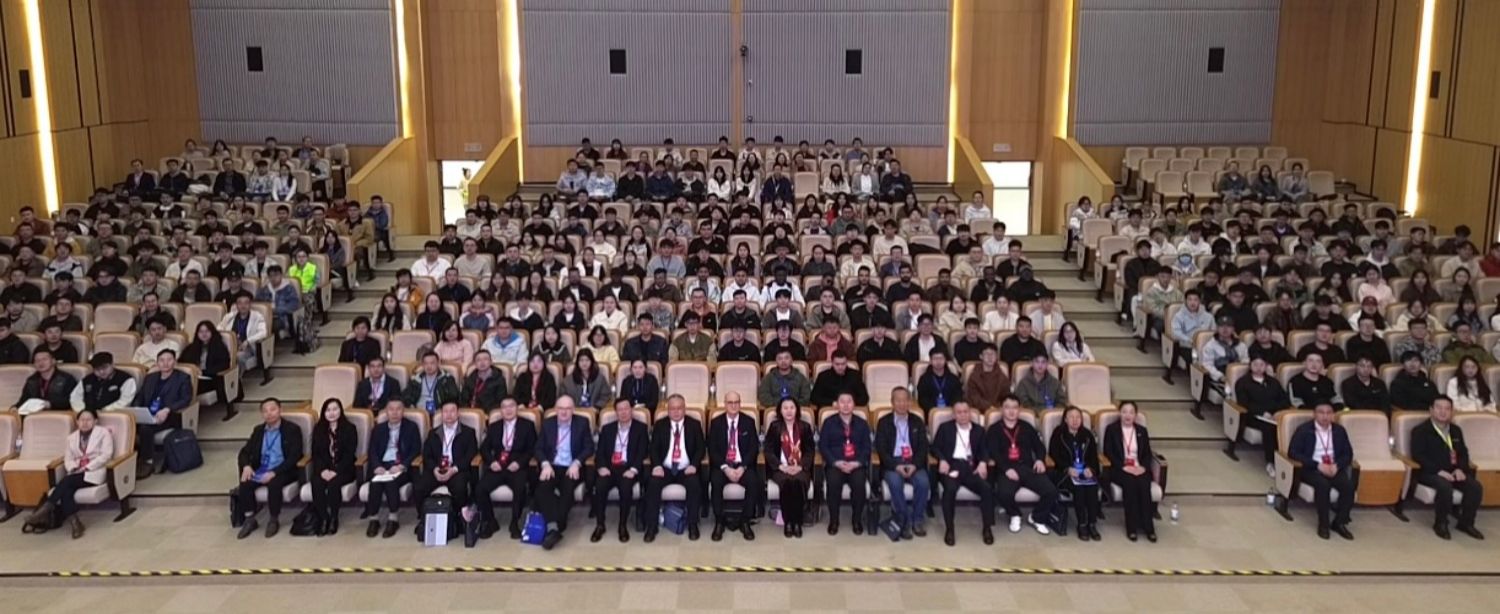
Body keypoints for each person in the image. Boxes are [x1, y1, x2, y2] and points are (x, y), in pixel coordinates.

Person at [24, 408, 113, 538]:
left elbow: (106, 455)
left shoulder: (103, 433)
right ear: (77, 422)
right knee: (67, 491)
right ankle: (75, 523)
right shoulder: (71, 438)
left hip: (94, 471)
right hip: (76, 472)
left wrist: (87, 467)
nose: (85, 423)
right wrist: (72, 468)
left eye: (88, 420)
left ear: (95, 421)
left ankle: (46, 508)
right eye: (82, 420)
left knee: (66, 482)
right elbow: (68, 458)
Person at [1408, 396, 1485, 540]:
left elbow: (1463, 453)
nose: (1443, 412)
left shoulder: (1456, 430)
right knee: (1444, 487)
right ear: (1431, 410)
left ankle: (1466, 523)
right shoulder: (1420, 430)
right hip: (1429, 472)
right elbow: (1418, 456)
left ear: (1452, 412)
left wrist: (1460, 469)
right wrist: (1439, 471)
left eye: (1447, 409)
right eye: (1439, 408)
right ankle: (1441, 523)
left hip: (1453, 471)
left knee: (1475, 487)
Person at [234, 399, 304, 539]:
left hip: (284, 469)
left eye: (272, 409)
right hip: (262, 468)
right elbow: (244, 452)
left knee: (274, 483)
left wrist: (274, 472)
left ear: (280, 410)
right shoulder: (258, 431)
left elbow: (294, 456)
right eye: (265, 411)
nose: (269, 413)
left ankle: (273, 519)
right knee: (245, 482)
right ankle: (250, 519)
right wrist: (246, 466)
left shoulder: (292, 429)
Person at [1288, 402, 1357, 540]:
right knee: (1323, 485)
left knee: (1349, 486)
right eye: (1321, 412)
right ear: (1314, 414)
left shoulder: (1339, 431)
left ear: (1333, 415)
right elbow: (1293, 453)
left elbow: (1348, 454)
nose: (1325, 416)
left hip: (1333, 467)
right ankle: (1323, 524)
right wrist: (1317, 465)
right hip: (1311, 468)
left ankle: (1339, 522)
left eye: (1328, 413)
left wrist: (1337, 466)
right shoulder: (1304, 430)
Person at [988, 396, 1056, 535]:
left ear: (1019, 409)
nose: (1011, 411)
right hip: (1007, 469)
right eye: (1007, 407)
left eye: (1015, 407)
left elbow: (1039, 446)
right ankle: (1015, 514)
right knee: (1004, 494)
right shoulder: (994, 429)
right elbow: (993, 452)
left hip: (1027, 467)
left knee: (1051, 491)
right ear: (1001, 409)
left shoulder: (1026, 427)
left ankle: (1036, 518)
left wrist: (1039, 460)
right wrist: (1006, 469)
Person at [412, 401, 479, 541]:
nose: (449, 415)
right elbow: (427, 455)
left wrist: (454, 469)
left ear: (458, 413)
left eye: (452, 411)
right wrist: (435, 469)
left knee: (460, 487)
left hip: (457, 470)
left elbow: (470, 454)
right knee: (418, 487)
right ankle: (423, 518)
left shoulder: (468, 432)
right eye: (445, 411)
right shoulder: (433, 433)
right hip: (437, 470)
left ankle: (458, 519)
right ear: (441, 414)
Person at [930, 401, 994, 546]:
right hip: (951, 465)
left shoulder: (978, 430)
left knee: (986, 488)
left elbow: (985, 449)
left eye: (965, 412)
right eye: (959, 412)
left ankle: (987, 528)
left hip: (971, 467)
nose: (963, 415)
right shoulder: (945, 428)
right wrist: (942, 459)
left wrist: (983, 462)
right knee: (950, 490)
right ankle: (949, 529)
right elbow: (934, 448)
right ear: (954, 415)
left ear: (970, 413)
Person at [534, 396, 593, 549]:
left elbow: (589, 447)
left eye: (568, 409)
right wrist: (545, 464)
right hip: (552, 466)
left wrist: (577, 463)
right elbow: (538, 448)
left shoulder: (582, 423)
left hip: (571, 467)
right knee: (542, 489)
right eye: (561, 408)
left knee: (567, 490)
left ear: (573, 410)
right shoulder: (548, 424)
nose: (564, 412)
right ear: (556, 409)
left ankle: (555, 527)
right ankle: (555, 527)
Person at [476, 399, 537, 540]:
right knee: (480, 489)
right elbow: (484, 448)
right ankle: (491, 521)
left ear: (517, 408)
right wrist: (491, 462)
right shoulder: (494, 426)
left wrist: (519, 463)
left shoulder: (527, 426)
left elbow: (532, 449)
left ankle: (515, 523)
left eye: (511, 406)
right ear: (501, 410)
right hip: (498, 465)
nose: (508, 410)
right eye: (504, 407)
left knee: (520, 488)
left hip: (517, 466)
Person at [875, 388, 930, 539]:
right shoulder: (884, 422)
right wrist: (895, 466)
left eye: (905, 400)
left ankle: (917, 520)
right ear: (892, 402)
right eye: (898, 400)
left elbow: (923, 447)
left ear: (910, 402)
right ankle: (903, 520)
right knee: (895, 482)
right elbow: (881, 449)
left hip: (913, 462)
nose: (902, 404)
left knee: (923, 482)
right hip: (893, 463)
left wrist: (915, 465)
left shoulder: (917, 421)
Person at [590, 400, 647, 543]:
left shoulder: (640, 428)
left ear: (631, 410)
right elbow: (600, 452)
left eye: (626, 409)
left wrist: (633, 470)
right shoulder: (607, 429)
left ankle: (622, 525)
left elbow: (642, 452)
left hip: (629, 467)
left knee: (626, 488)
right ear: (616, 412)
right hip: (609, 468)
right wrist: (601, 467)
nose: (623, 412)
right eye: (620, 410)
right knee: (600, 486)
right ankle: (600, 524)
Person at [708, 392, 762, 541]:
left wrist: (742, 467)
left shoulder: (748, 421)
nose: (733, 405)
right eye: (730, 402)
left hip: (742, 465)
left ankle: (745, 521)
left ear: (740, 403)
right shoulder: (716, 422)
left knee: (753, 481)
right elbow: (712, 449)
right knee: (716, 481)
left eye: (736, 402)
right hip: (723, 466)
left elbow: (754, 448)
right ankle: (719, 521)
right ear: (725, 404)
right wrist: (725, 468)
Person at [131, 349, 193, 479]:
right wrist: (136, 409)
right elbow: (140, 396)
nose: (165, 363)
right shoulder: (150, 378)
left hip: (170, 415)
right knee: (128, 425)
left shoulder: (183, 378)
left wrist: (167, 409)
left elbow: (185, 399)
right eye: (162, 360)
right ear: (157, 363)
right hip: (148, 414)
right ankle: (129, 462)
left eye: (169, 360)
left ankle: (148, 461)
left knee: (145, 428)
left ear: (175, 362)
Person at [1103, 401, 1157, 542]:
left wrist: (1143, 467)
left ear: (1135, 415)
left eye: (1131, 412)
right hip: (1119, 468)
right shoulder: (1112, 429)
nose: (1128, 415)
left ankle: (1149, 527)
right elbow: (1108, 452)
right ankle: (1131, 528)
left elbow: (1147, 453)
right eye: (1124, 412)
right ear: (1119, 413)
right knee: (1130, 484)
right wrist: (1123, 466)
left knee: (1144, 484)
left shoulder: (1141, 431)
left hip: (1139, 467)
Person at [818, 393, 871, 536]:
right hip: (836, 463)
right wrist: (835, 462)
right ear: (837, 404)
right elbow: (823, 446)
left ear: (854, 404)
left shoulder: (862, 423)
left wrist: (857, 463)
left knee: (859, 484)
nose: (846, 405)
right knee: (833, 483)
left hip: (856, 463)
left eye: (849, 401)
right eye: (842, 402)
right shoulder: (829, 423)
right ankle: (834, 520)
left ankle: (857, 520)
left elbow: (867, 447)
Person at [1049, 406, 1102, 541]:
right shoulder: (1059, 434)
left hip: (1085, 471)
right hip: (1065, 473)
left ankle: (1092, 523)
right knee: (1079, 488)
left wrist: (1090, 469)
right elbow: (1053, 455)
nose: (1075, 420)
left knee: (1092, 486)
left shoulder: (1087, 435)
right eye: (1071, 417)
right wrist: (1068, 468)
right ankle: (1082, 524)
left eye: (1078, 417)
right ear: (1065, 419)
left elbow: (1094, 457)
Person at [765, 397, 815, 538]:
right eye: (785, 408)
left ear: (797, 410)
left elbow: (810, 451)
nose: (789, 411)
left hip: (800, 467)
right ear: (780, 411)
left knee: (797, 481)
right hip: (780, 467)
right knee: (787, 482)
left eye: (792, 408)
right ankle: (788, 522)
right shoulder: (775, 427)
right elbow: (768, 451)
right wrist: (781, 466)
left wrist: (801, 466)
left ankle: (797, 522)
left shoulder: (804, 427)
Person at [1232, 356, 1291, 473]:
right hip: (1252, 416)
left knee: (1286, 427)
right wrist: (1262, 412)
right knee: (1269, 428)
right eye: (1255, 364)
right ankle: (1271, 462)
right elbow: (1244, 404)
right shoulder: (1243, 382)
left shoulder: (1273, 382)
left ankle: (1286, 463)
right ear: (1250, 366)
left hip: (1274, 415)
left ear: (1266, 367)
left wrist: (1273, 412)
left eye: (1262, 365)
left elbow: (1285, 401)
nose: (1259, 368)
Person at [308, 399, 357, 535]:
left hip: (344, 469)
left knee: (333, 484)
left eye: (335, 409)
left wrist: (335, 471)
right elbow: (316, 454)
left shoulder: (349, 429)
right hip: (324, 469)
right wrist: (323, 470)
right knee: (316, 482)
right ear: (323, 413)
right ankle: (324, 517)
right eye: (328, 410)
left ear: (340, 411)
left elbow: (349, 454)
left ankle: (334, 517)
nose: (332, 413)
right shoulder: (318, 429)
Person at [177, 321, 234, 416]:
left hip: (211, 379)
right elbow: (181, 362)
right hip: (193, 377)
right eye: (201, 331)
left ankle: (187, 413)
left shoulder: (219, 347)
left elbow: (224, 365)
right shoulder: (191, 347)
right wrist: (193, 370)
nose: (204, 334)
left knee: (188, 387)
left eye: (207, 331)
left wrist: (203, 372)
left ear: (212, 332)